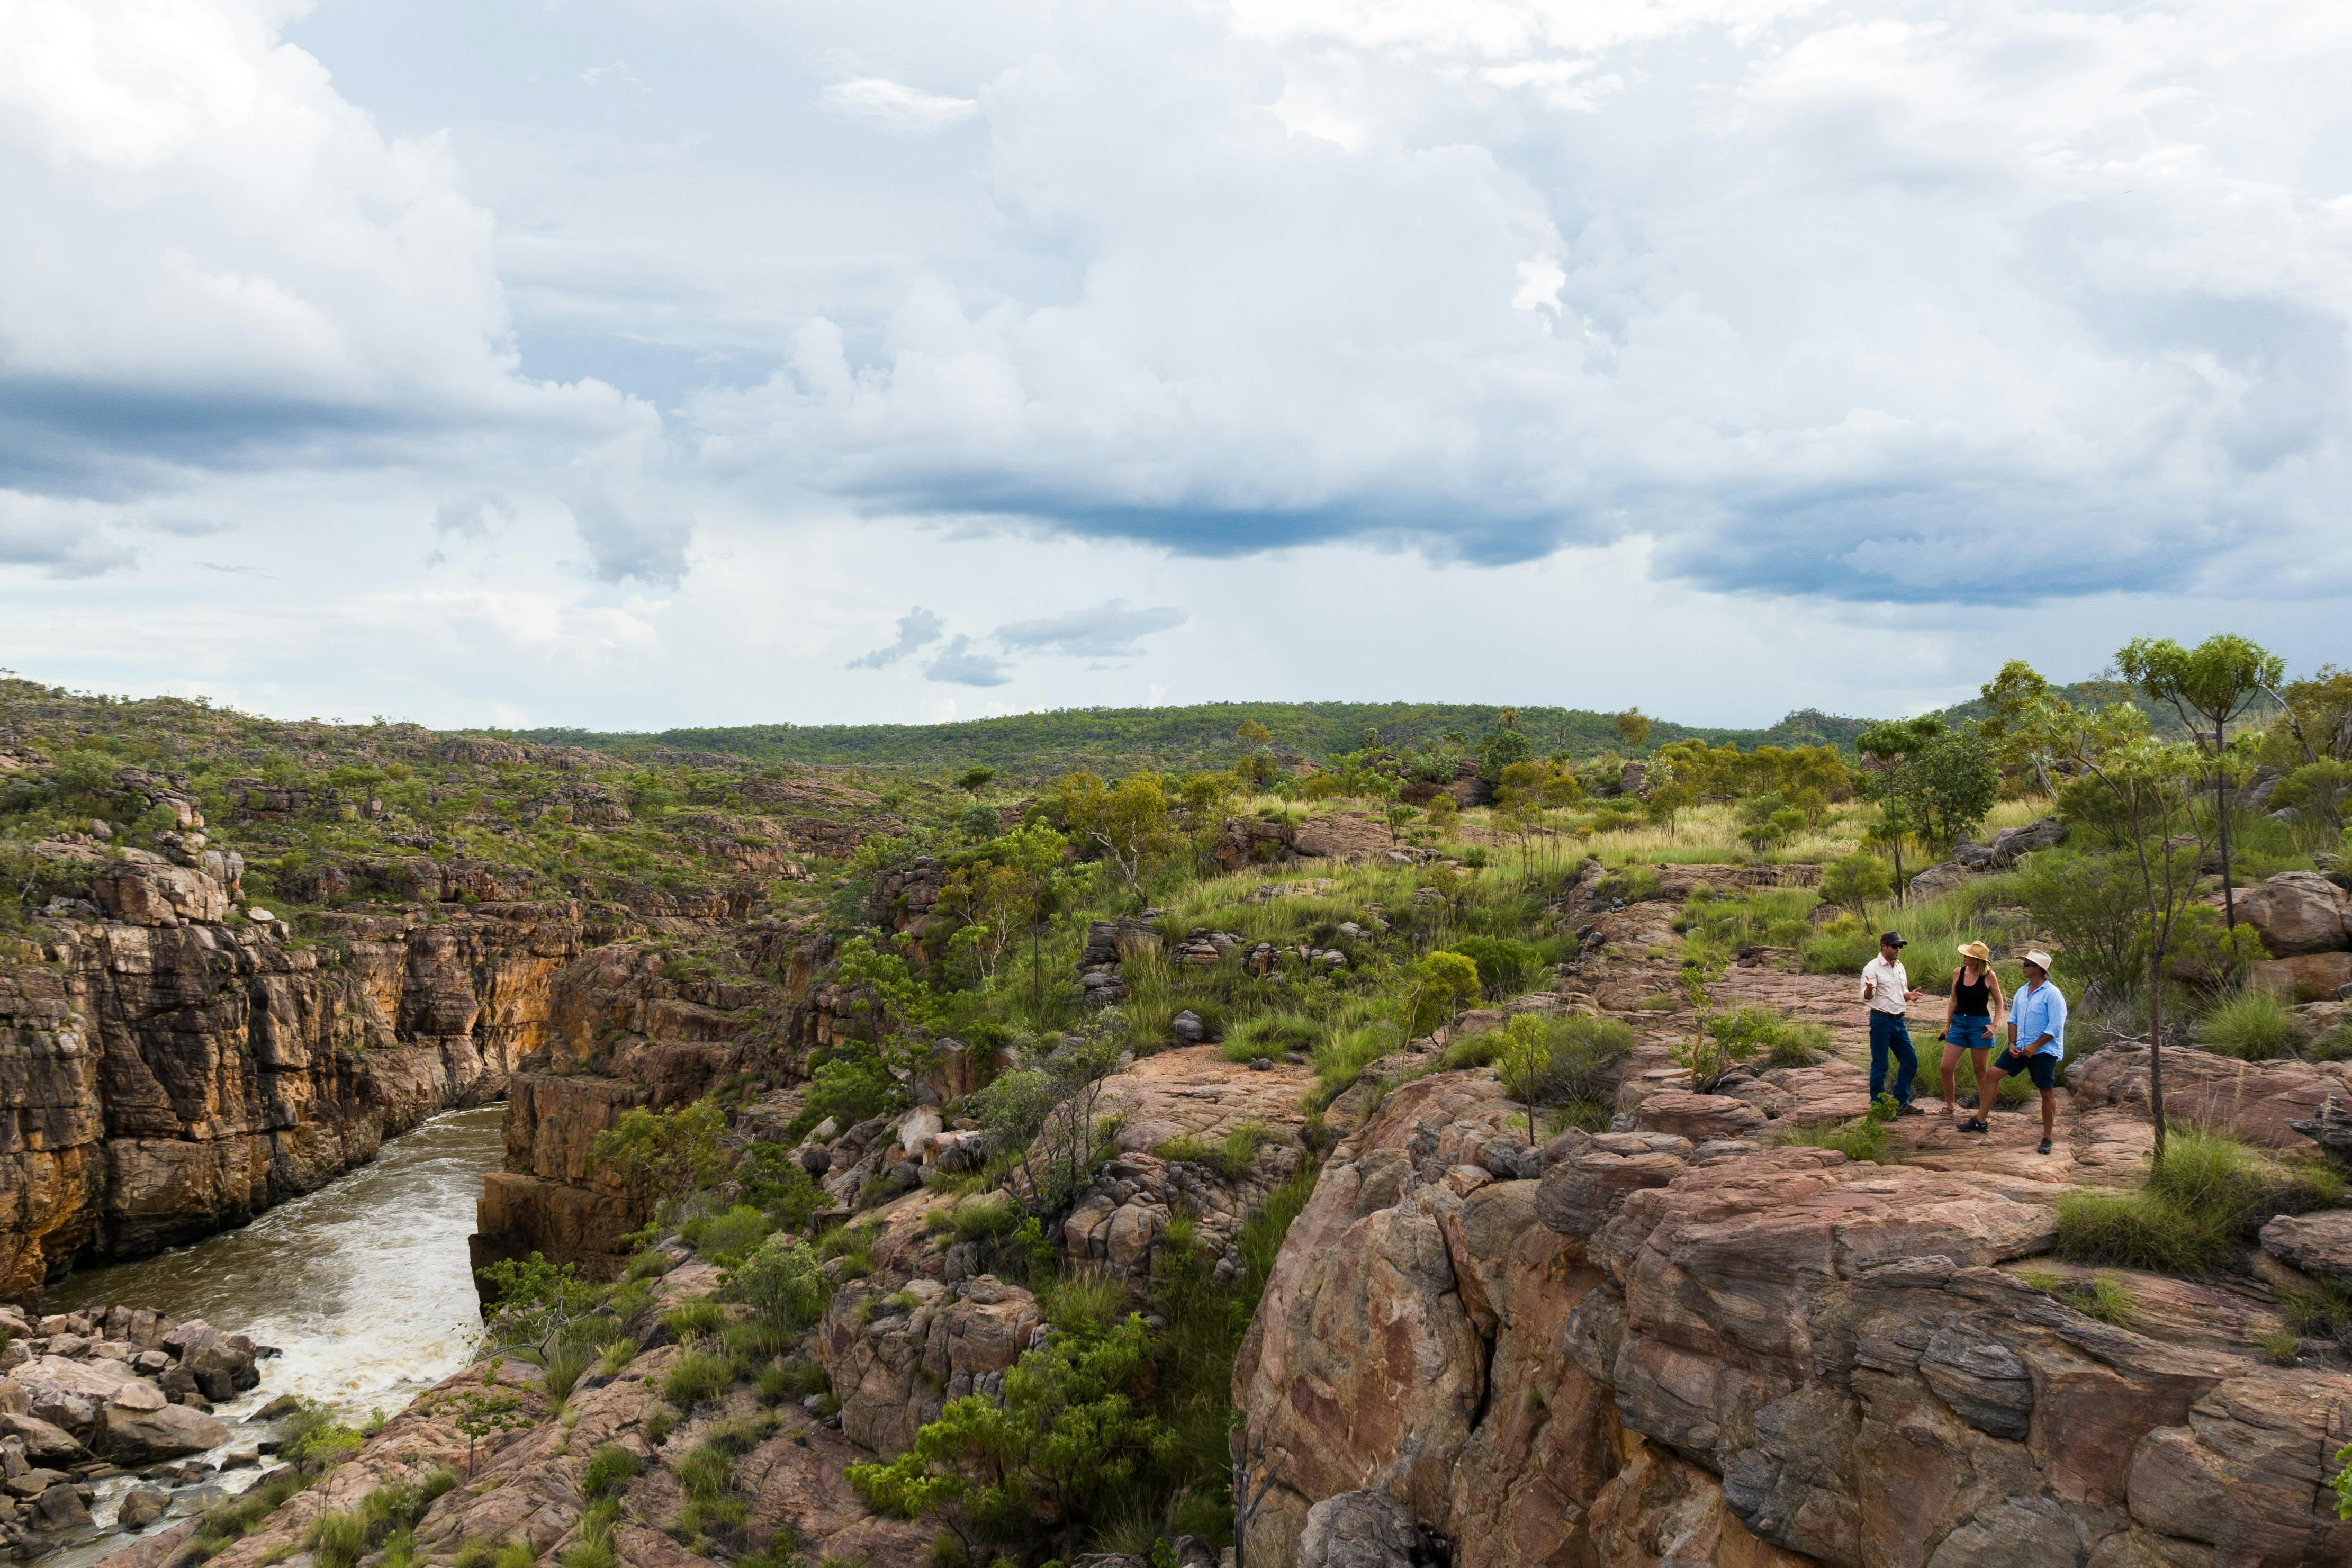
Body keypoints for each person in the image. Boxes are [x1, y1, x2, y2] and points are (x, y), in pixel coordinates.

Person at [1981, 949, 2066, 1155]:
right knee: (1992, 1075)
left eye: (2027, 965)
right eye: (2024, 964)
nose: (2023, 967)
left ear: (2038, 969)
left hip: (2044, 1051)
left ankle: (2048, 1137)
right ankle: (1979, 1120)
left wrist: (2036, 1046)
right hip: (2019, 1047)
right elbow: (2014, 1020)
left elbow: (2055, 1028)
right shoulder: (2022, 992)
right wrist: (2012, 1043)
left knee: (2046, 1092)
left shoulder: (2052, 994)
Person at [1943, 941, 2006, 1133]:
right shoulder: (1958, 973)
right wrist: (1947, 1026)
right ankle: (1950, 1106)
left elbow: (1999, 1002)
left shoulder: (1989, 976)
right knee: (1946, 1067)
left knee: (1980, 1070)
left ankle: (1982, 1114)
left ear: (1977, 960)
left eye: (1968, 955)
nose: (1964, 957)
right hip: (1959, 1024)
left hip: (1980, 1025)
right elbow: (1953, 999)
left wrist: (1994, 1026)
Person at [1859, 931, 1924, 1115]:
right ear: (1884, 947)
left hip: (1899, 1021)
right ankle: (1879, 1107)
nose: (1898, 949)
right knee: (1881, 1066)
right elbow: (1866, 996)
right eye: (1895, 946)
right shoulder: (1872, 968)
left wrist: (1909, 996)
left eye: (1900, 946)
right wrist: (1870, 990)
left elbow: (1901, 992)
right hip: (1881, 1020)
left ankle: (1901, 1102)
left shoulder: (1900, 967)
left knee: (1910, 1061)